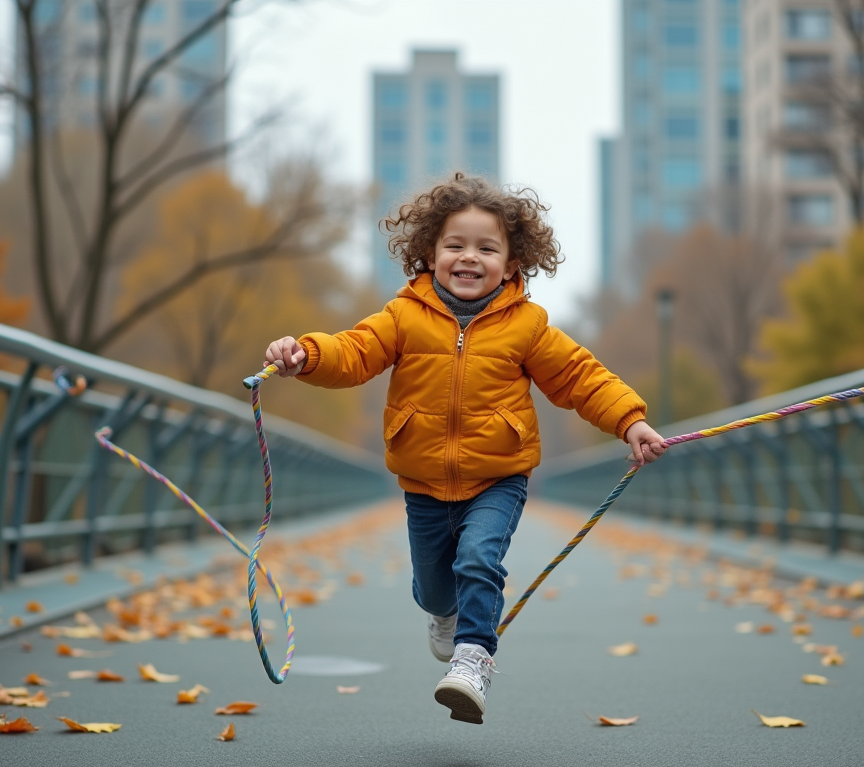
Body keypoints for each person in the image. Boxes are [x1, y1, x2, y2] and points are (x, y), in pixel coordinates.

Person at [263, 174, 666, 724]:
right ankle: (445, 613)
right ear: (430, 254)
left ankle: (473, 659)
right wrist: (306, 355)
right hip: (423, 480)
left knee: (479, 558)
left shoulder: (528, 326)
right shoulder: (403, 316)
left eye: (487, 248)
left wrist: (630, 421)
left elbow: (579, 377)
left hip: (499, 476)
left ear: (512, 262)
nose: (469, 257)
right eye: (455, 245)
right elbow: (353, 353)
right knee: (434, 590)